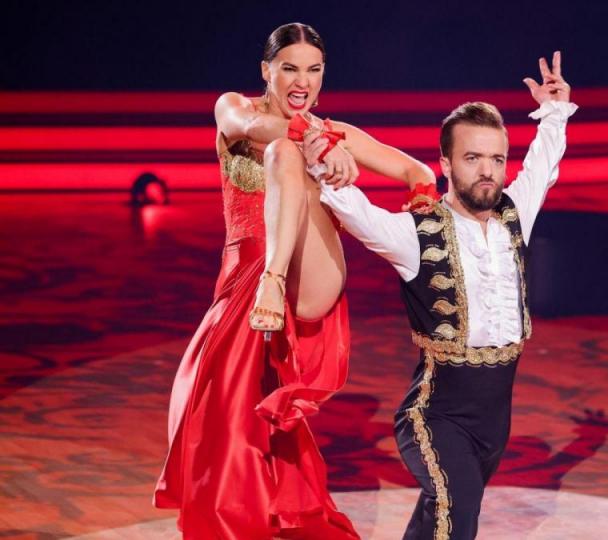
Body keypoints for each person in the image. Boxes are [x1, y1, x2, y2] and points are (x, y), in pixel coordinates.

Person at [152, 22, 434, 539]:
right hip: (241, 279)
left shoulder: (337, 132)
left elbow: (420, 172)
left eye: (313, 69)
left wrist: (418, 235)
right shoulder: (234, 107)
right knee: (214, 405)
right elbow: (258, 131)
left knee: (287, 154)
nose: (302, 80)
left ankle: (274, 281)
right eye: (289, 68)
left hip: (304, 279)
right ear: (267, 71)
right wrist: (322, 144)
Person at [314, 51, 576, 540]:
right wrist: (323, 157)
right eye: (473, 158)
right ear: (445, 163)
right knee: (458, 514)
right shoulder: (418, 232)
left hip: (495, 425)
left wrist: (555, 112)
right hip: (433, 418)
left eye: (496, 159)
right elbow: (359, 214)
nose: (487, 171)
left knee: (438, 520)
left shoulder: (515, 216)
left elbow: (542, 164)